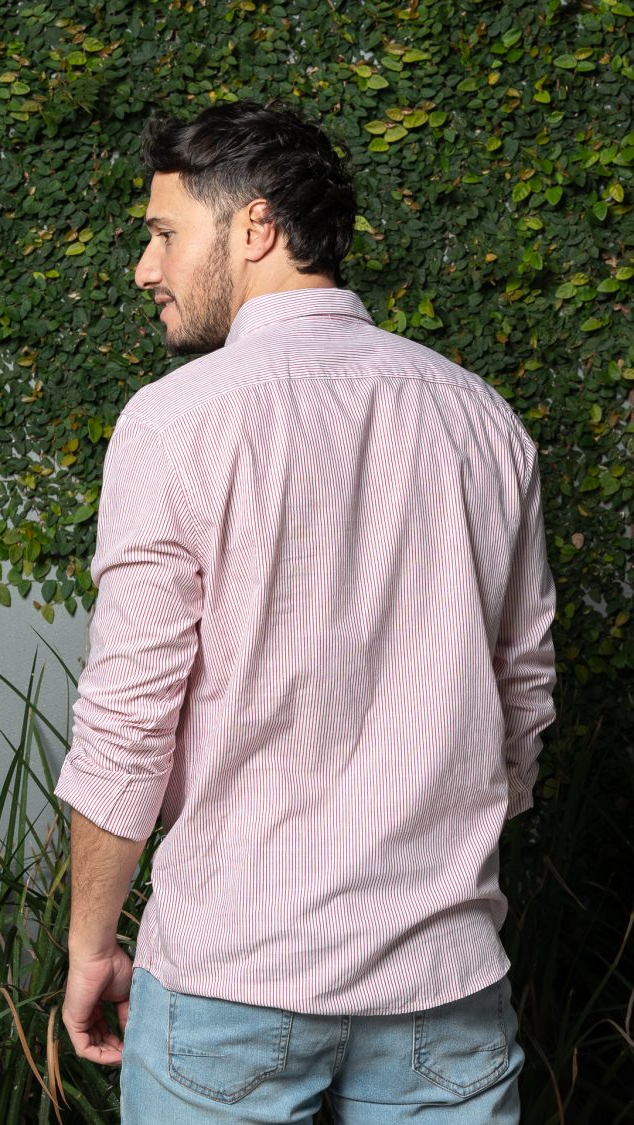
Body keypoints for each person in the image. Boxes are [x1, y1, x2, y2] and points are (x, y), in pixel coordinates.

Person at [54, 100, 556, 1124]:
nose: (145, 269)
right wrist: (432, 855)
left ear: (255, 227)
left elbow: (128, 722)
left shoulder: (176, 422)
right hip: (444, 983)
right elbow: (525, 691)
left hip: (233, 979)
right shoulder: (483, 418)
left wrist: (90, 945)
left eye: (163, 234)